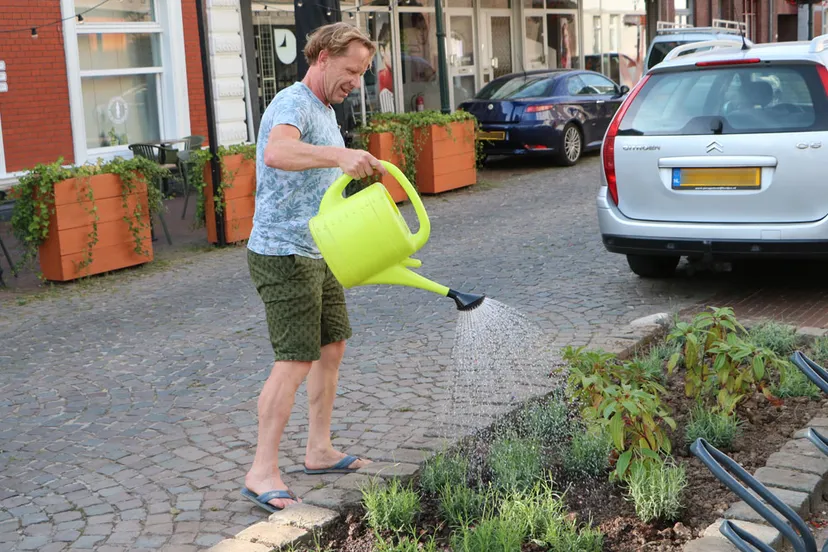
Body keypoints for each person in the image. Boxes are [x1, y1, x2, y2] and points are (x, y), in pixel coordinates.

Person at [241, 22, 387, 513]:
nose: (357, 82)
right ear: (323, 56)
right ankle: (262, 471)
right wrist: (340, 153)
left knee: (332, 345)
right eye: (351, 70)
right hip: (282, 252)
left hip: (318, 249)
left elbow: (319, 177)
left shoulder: (323, 109)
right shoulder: (293, 103)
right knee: (295, 358)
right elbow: (277, 152)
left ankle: (319, 450)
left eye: (363, 73)